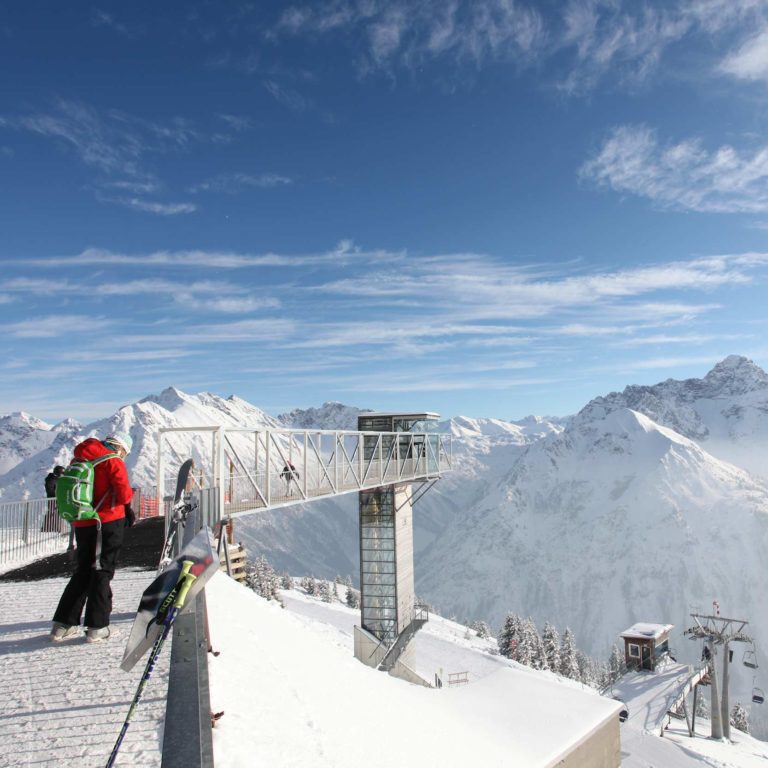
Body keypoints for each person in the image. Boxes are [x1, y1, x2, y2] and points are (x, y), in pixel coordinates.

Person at [50, 431, 136, 643]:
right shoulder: (112, 461)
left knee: (83, 570)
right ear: (121, 448)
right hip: (106, 522)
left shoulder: (80, 457)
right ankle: (97, 627)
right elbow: (124, 493)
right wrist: (127, 508)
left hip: (83, 521)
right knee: (102, 570)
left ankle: (63, 624)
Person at [41, 465, 64, 532]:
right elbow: (50, 490)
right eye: (62, 473)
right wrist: (57, 495)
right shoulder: (51, 480)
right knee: (51, 513)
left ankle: (56, 528)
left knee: (57, 513)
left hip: (56, 499)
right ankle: (47, 528)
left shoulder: (56, 479)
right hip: (52, 499)